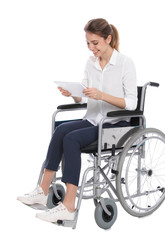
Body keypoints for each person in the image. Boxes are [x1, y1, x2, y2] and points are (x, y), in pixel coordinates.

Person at [17, 18, 137, 223]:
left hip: (114, 125)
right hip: (92, 119)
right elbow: (84, 95)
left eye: (95, 43)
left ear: (108, 39)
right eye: (88, 43)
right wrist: (72, 94)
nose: (91, 48)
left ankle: (69, 205)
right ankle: (42, 191)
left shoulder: (125, 63)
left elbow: (132, 103)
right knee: (61, 130)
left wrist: (102, 96)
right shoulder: (91, 63)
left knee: (71, 139)